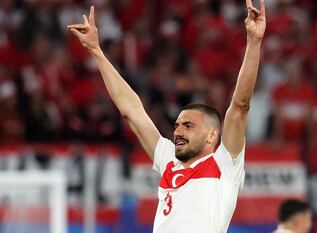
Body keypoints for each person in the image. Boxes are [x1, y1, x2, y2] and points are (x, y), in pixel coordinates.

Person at [67, 0, 266, 232]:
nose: (178, 131)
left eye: (189, 126)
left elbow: (240, 105)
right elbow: (132, 111)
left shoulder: (225, 164)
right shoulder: (168, 159)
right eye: (178, 125)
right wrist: (96, 52)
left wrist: (253, 42)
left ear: (212, 135)